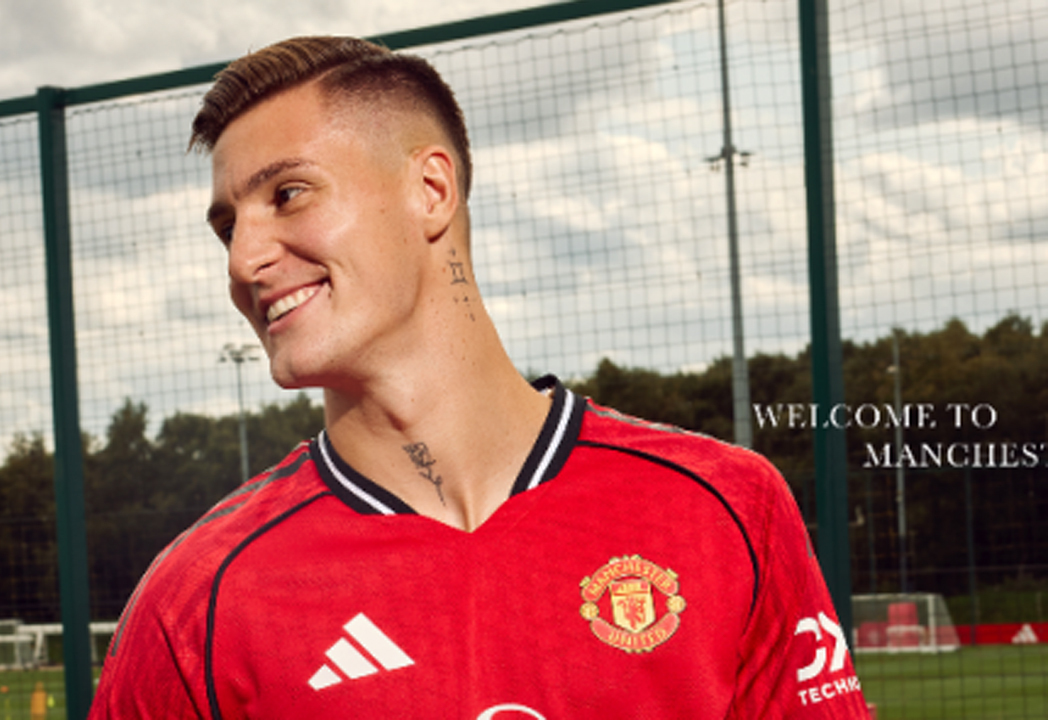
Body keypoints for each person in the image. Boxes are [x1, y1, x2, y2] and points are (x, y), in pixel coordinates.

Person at [89, 36, 869, 719]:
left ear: (430, 191)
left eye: (287, 195)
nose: (243, 260)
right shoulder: (199, 598)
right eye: (228, 227)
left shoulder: (723, 508)